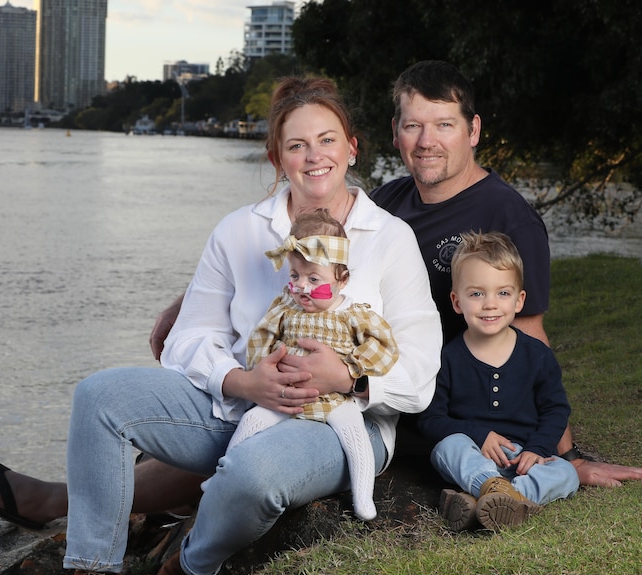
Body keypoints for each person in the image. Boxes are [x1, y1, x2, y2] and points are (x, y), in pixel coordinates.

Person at [0, 76, 442, 575]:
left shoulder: (389, 237)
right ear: (278, 159)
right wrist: (243, 381)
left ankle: (190, 563)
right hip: (242, 404)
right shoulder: (239, 230)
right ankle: (92, 564)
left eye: (327, 140)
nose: (314, 155)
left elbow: (421, 367)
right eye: (296, 145)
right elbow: (189, 338)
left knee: (255, 474)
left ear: (351, 149)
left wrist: (347, 378)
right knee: (99, 397)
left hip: (344, 423)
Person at [369, 59, 642, 488]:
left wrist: (566, 455)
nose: (426, 142)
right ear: (395, 131)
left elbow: (531, 338)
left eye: (444, 125)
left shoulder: (508, 217)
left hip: (465, 421)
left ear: (473, 130)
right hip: (391, 403)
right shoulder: (383, 204)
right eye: (412, 126)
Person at [228, 208, 399, 521]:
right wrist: (261, 367)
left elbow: (384, 346)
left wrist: (352, 367)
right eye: (295, 276)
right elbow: (262, 337)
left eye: (314, 278)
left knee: (356, 438)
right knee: (252, 422)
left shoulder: (354, 315)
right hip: (287, 396)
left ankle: (364, 499)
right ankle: (223, 477)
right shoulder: (285, 307)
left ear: (342, 280)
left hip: (335, 399)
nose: (302, 287)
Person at [417, 231, 579, 531]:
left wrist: (538, 449)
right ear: (456, 301)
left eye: (502, 293)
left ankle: (491, 501)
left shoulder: (537, 356)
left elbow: (555, 410)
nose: (490, 304)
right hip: (473, 458)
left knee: (567, 473)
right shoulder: (447, 358)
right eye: (477, 293)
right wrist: (478, 435)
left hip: (523, 461)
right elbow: (430, 419)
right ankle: (493, 491)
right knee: (446, 448)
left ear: (519, 301)